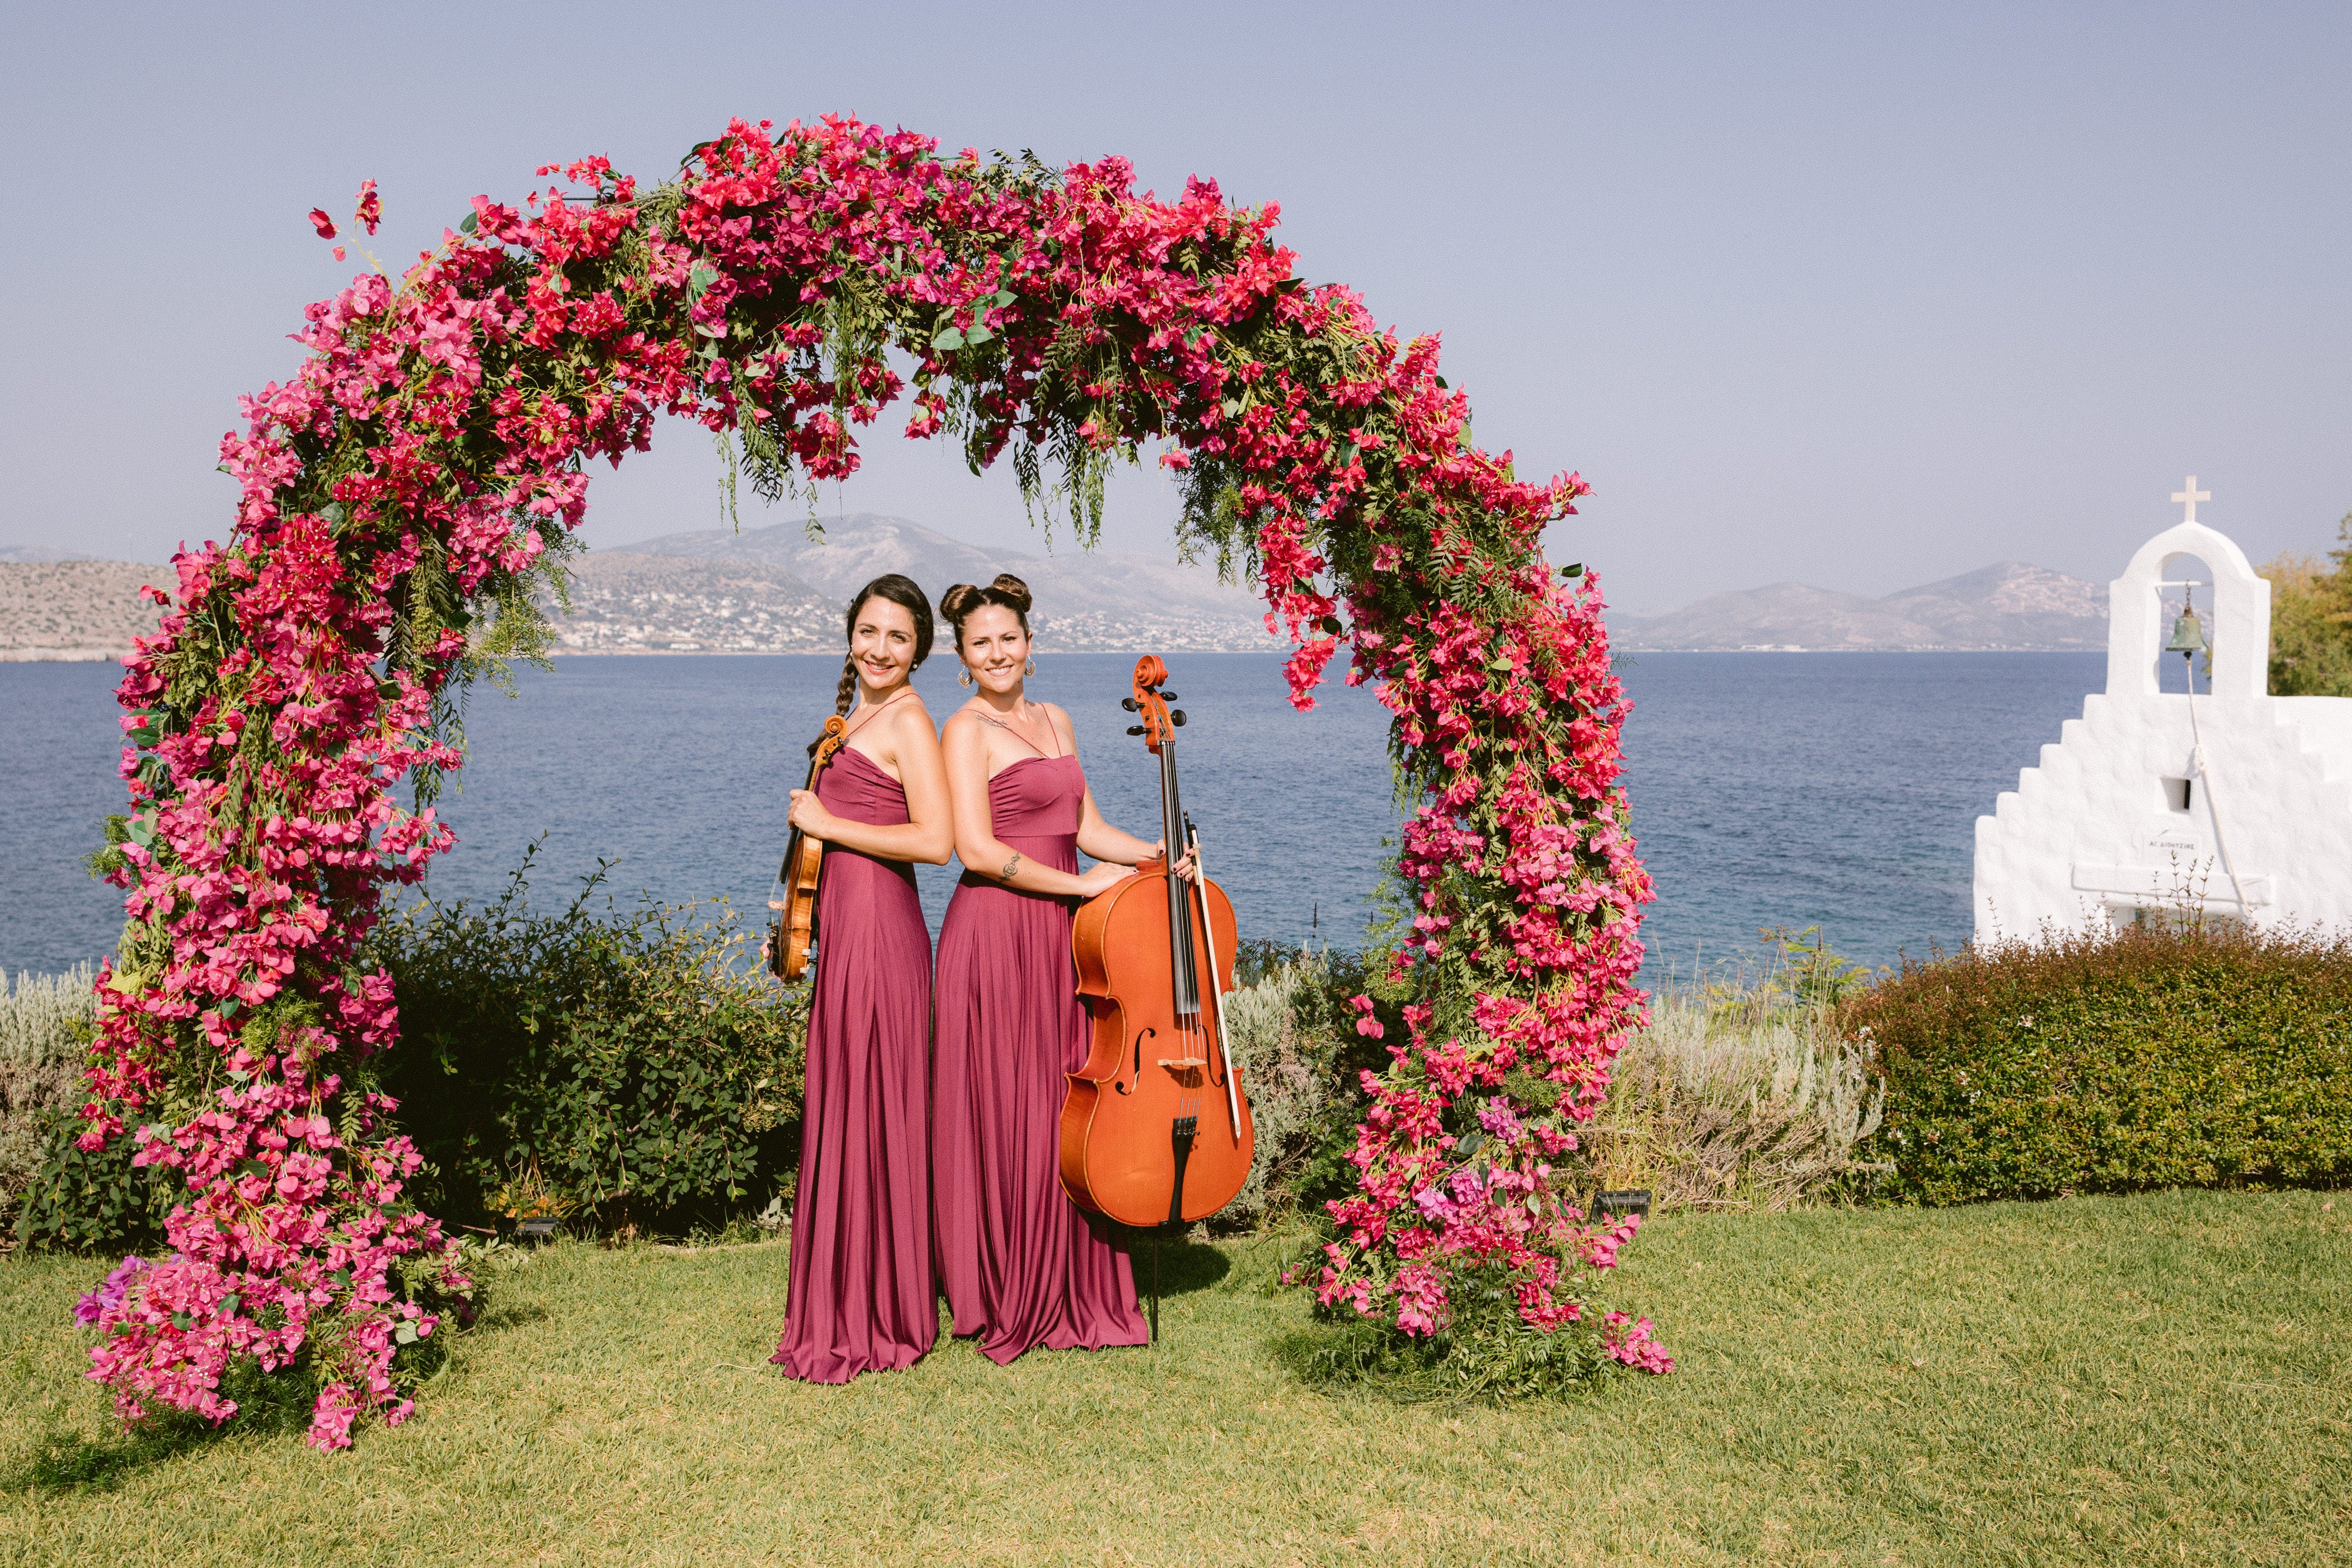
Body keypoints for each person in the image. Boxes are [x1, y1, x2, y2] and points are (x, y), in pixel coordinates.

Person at [931, 573, 1167, 1363]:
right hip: (995, 935)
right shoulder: (963, 730)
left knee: (1063, 1104)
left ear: (1032, 647)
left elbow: (1088, 827)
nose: (997, 654)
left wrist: (1159, 856)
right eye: (980, 645)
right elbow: (976, 850)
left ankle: (1074, 1277)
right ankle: (1010, 1286)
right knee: (1011, 1106)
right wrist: (1078, 886)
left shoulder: (1057, 719)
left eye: (1008, 639)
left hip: (1061, 937)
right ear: (963, 660)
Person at [769, 574, 953, 1383]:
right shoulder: (861, 713)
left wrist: (828, 823)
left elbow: (937, 840)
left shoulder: (910, 719)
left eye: (898, 638)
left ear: (919, 651)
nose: (879, 649)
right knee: (847, 1104)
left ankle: (882, 1310)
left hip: (883, 936)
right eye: (869, 632)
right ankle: (848, 1293)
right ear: (852, 634)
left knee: (875, 1108)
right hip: (846, 929)